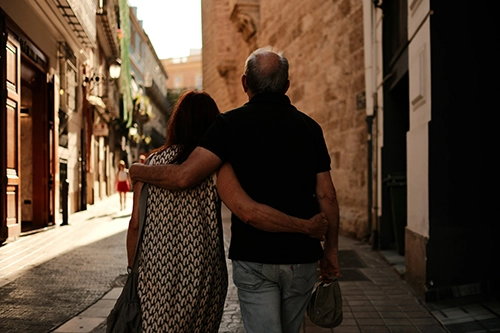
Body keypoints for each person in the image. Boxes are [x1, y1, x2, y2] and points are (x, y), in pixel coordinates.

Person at [129, 46, 340, 333]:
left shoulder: (227, 126)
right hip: (301, 258)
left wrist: (138, 170)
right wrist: (331, 250)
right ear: (286, 86)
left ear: (244, 83)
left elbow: (186, 177)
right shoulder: (311, 128)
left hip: (254, 257)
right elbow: (327, 195)